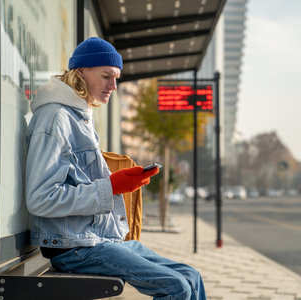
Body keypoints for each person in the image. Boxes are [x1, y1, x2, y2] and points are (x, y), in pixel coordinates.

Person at [25, 37, 206, 300]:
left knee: (192, 276)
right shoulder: (55, 119)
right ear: (81, 72)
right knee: (175, 287)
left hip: (96, 239)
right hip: (73, 247)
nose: (114, 86)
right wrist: (111, 187)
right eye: (106, 76)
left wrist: (120, 182)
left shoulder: (80, 116)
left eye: (116, 77)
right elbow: (40, 199)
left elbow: (80, 181)